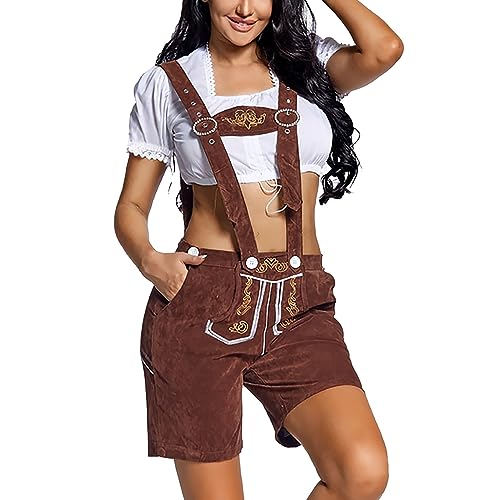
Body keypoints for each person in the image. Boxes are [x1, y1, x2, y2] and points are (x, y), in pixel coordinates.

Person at [114, 0, 403, 498]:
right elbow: (131, 206)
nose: (246, 8)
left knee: (361, 472)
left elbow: (385, 49)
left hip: (300, 305)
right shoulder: (167, 84)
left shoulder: (307, 65)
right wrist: (150, 259)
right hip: (202, 303)